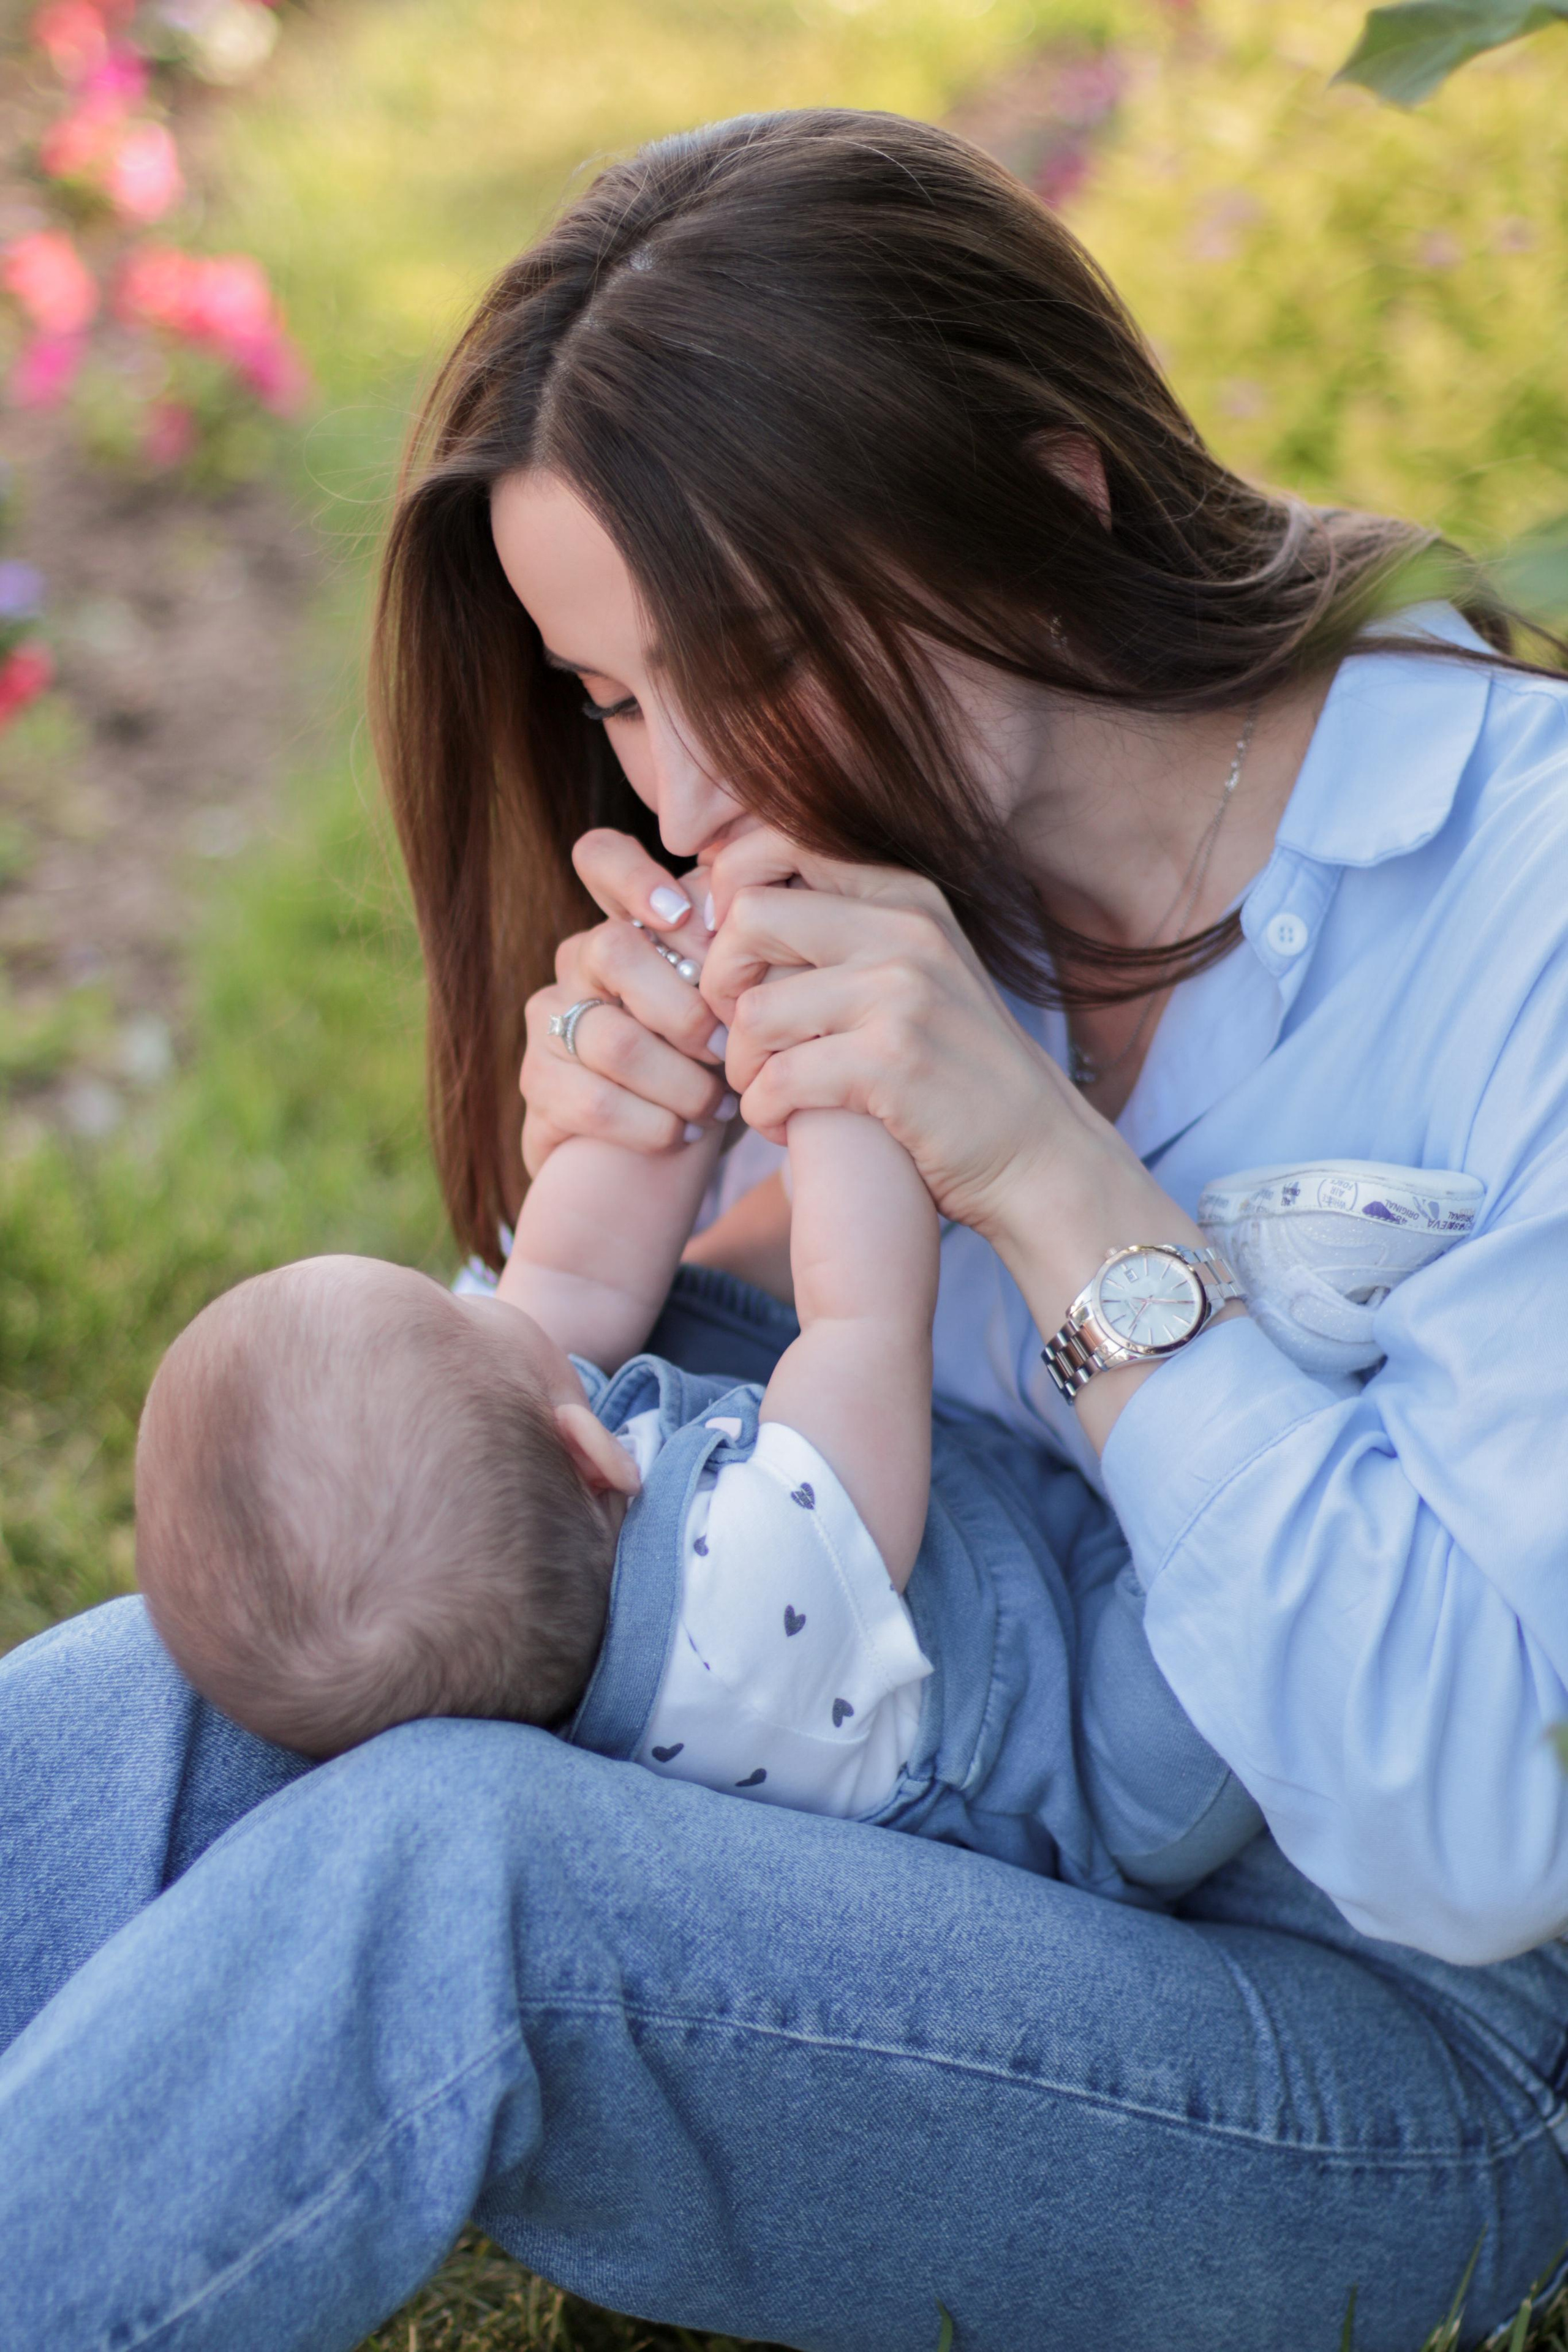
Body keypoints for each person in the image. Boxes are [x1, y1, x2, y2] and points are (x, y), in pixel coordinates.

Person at [4, 104, 1568, 2352]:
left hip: (1380, 2041)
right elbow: (552, 1579)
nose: (687, 791)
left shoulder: (1521, 891)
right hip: (945, 1793)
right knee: (270, 1627)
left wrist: (1044, 1176)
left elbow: (1476, 1842)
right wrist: (579, 1261)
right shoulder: (889, 878)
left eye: (742, 651)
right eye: (620, 696)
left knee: (457, 1888)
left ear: (1040, 503)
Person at [135, 1086, 1257, 1894]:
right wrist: (845, 1076)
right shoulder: (752, 1597)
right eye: (452, 1305)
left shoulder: (535, 1555)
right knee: (1234, 1608)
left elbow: (570, 1273)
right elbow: (862, 1314)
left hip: (988, 1563)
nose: (481, 1292)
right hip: (1085, 1753)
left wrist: (666, 1061)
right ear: (589, 1454)